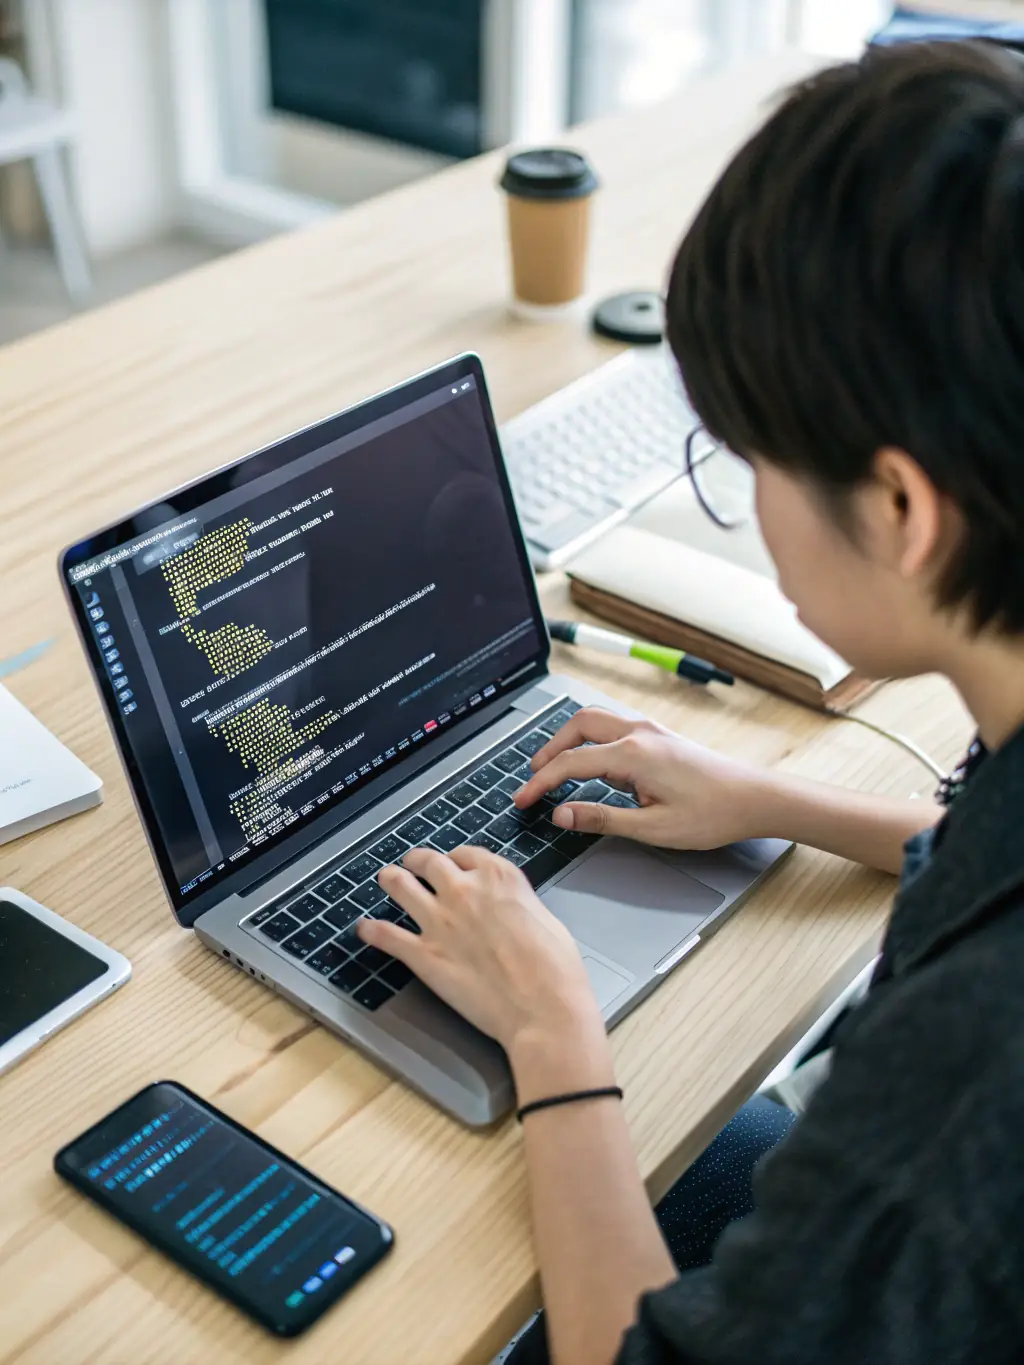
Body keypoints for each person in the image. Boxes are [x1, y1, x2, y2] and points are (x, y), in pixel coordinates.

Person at [357, 39, 1024, 1365]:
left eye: (750, 460)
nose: (752, 504)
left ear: (900, 509)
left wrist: (555, 1030)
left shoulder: (972, 1082)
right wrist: (771, 800)